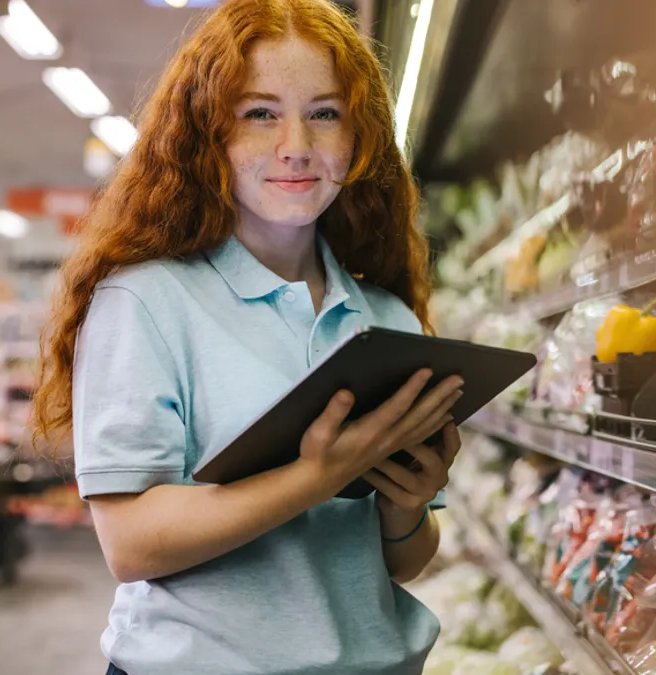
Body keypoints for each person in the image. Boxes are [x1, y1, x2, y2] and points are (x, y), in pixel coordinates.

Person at [33, 1, 463, 673]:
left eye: (325, 113)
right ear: (210, 134)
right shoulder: (147, 301)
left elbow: (402, 561)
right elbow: (132, 542)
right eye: (259, 113)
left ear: (359, 136)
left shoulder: (387, 321)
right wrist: (316, 476)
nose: (296, 144)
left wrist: (406, 502)